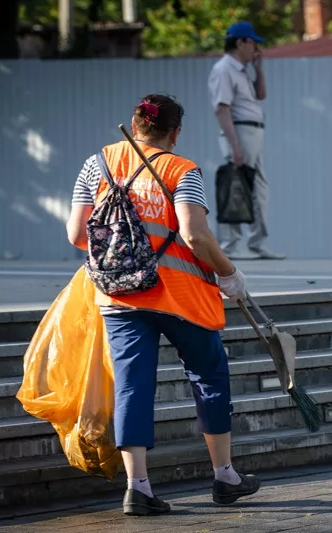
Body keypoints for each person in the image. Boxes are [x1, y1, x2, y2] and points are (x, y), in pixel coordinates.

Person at [66, 94, 261, 516]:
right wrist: (229, 274)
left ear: (134, 125)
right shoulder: (182, 169)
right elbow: (195, 236)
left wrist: (122, 256)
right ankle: (225, 476)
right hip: (180, 296)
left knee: (132, 384)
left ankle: (138, 488)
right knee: (209, 374)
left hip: (118, 295)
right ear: (175, 132)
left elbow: (76, 235)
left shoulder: (95, 164)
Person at [208, 21, 285, 260]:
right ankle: (230, 244)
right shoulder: (224, 69)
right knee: (236, 185)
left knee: (257, 188)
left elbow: (261, 94)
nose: (255, 49)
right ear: (240, 42)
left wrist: (258, 69)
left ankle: (257, 242)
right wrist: (234, 145)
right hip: (240, 132)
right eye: (252, 43)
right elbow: (222, 109)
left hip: (254, 132)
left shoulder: (241, 70)